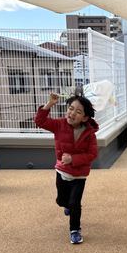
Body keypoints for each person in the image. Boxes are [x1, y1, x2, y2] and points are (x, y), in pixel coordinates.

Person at [35, 88, 98, 244]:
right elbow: (40, 121)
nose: (72, 113)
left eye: (78, 111)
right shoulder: (59, 125)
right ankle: (66, 205)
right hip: (62, 171)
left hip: (79, 175)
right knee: (62, 201)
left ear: (85, 118)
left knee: (75, 203)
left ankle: (75, 230)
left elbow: (92, 154)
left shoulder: (89, 133)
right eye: (70, 108)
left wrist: (73, 159)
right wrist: (49, 104)